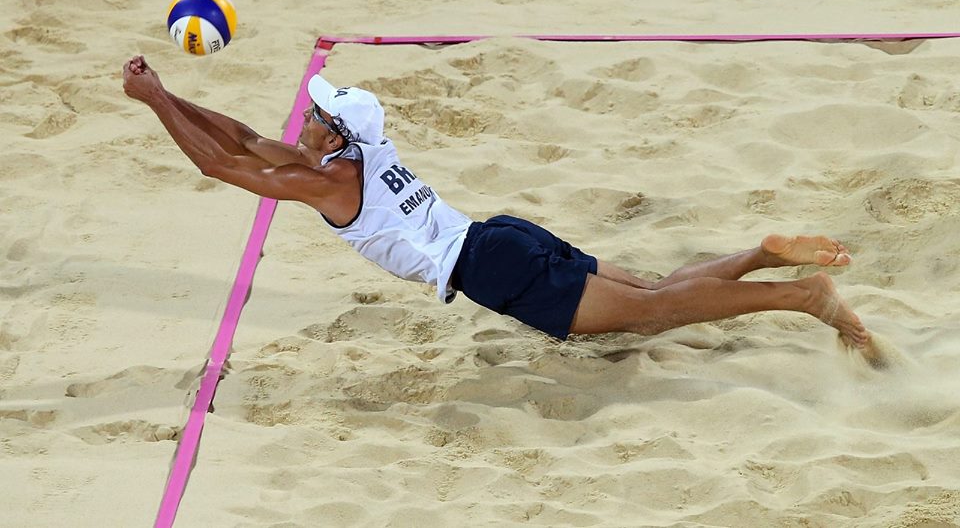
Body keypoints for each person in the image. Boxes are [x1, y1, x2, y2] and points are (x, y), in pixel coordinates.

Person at [122, 54, 872, 352]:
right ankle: (763, 256)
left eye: (317, 113)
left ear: (335, 135)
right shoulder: (353, 155)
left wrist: (155, 101)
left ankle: (801, 296)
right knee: (651, 288)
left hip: (493, 267)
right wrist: (168, 89)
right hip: (502, 235)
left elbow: (223, 164)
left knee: (656, 310)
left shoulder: (326, 177)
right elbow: (248, 138)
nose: (305, 118)